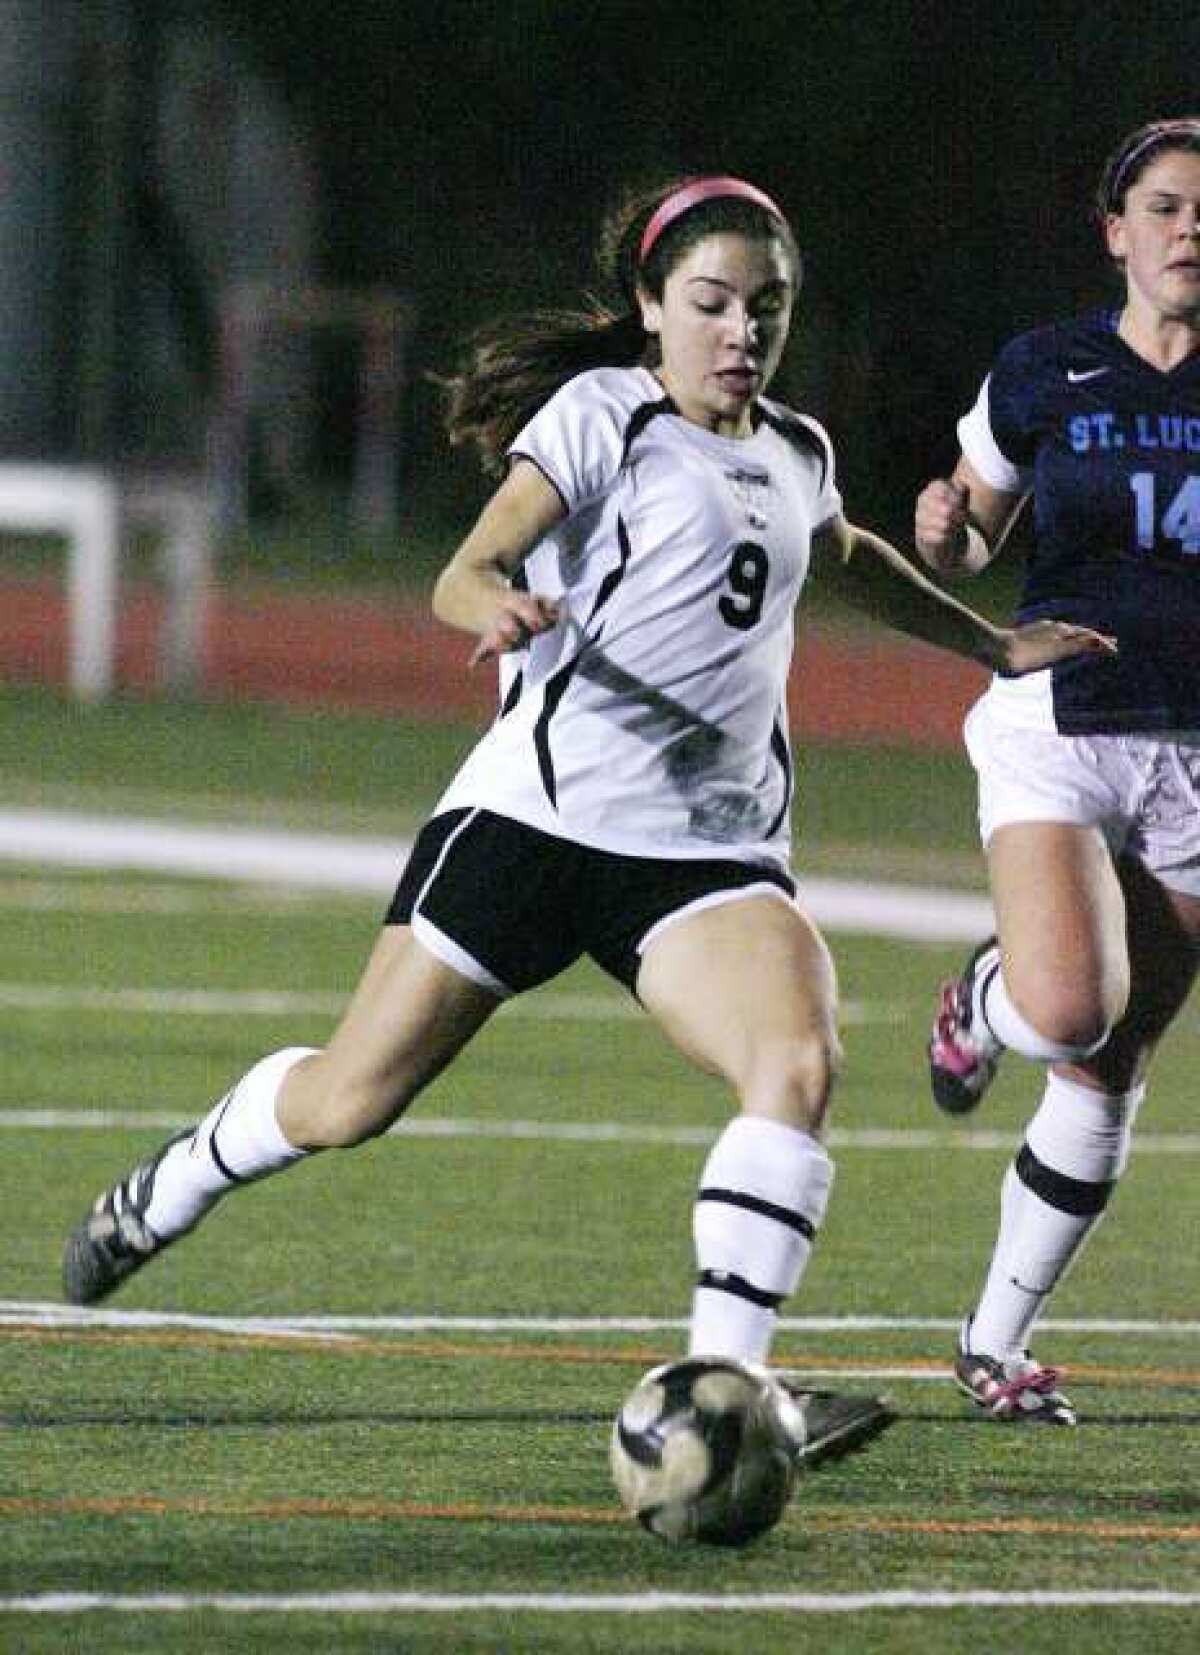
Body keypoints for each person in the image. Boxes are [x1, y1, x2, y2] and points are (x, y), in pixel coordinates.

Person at [62, 173, 1108, 1469]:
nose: (742, 332)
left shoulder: (797, 450)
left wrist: (991, 643)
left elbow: (844, 557)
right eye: (714, 303)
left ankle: (723, 1392)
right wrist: (490, 604)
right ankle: (173, 1184)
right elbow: (467, 566)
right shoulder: (602, 416)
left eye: (766, 309)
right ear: (651, 309)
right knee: (346, 1101)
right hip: (536, 826)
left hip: (707, 857)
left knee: (796, 1062)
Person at [918, 117, 1200, 1425]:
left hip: (1196, 755)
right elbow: (970, 523)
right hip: (1060, 721)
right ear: (1117, 232)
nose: (1187, 228)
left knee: (1113, 1062)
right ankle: (987, 995)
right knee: (1071, 1007)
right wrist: (949, 530)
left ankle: (993, 1341)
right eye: (1163, 206)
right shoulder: (1049, 371)